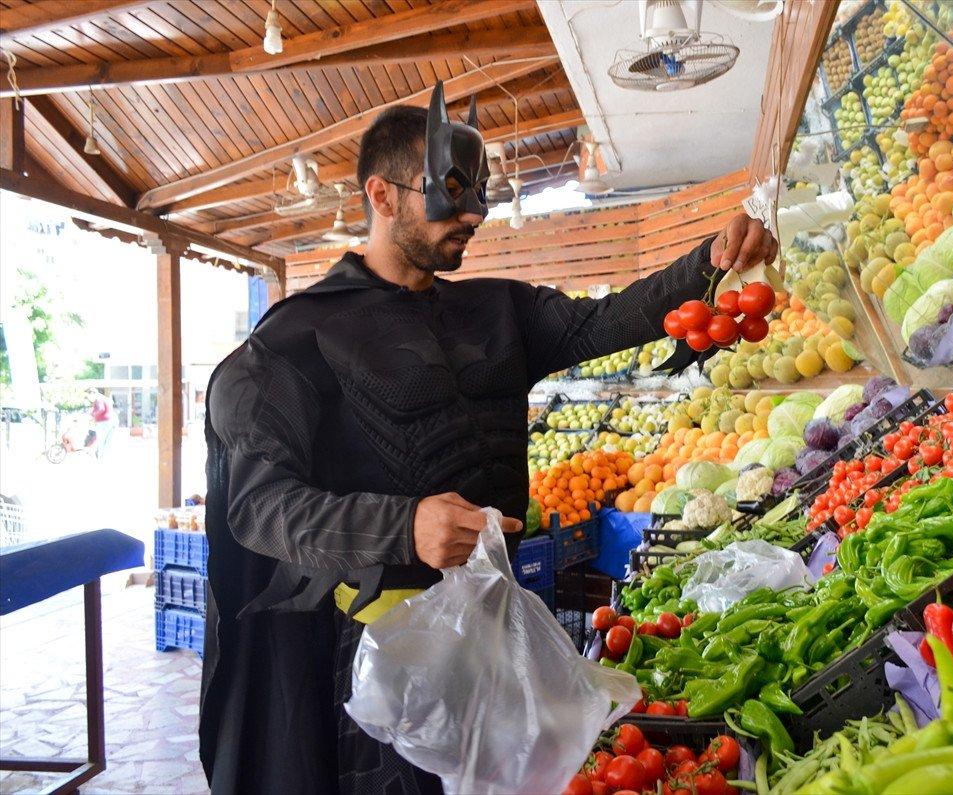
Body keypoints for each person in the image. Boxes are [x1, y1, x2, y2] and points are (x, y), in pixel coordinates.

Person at [199, 83, 778, 795]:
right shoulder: (297, 340)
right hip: (385, 660)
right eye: (450, 192)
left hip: (496, 625)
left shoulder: (498, 310)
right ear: (381, 196)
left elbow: (609, 320)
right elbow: (259, 505)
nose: (473, 213)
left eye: (479, 192)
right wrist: (404, 525)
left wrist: (711, 260)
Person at [86, 388, 115, 458]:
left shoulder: (99, 399)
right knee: (104, 440)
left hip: (104, 422)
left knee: (101, 439)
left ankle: (100, 456)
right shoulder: (101, 398)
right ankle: (101, 455)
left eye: (89, 395)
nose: (89, 397)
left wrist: (93, 416)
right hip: (107, 421)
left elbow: (101, 409)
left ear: (93, 393)